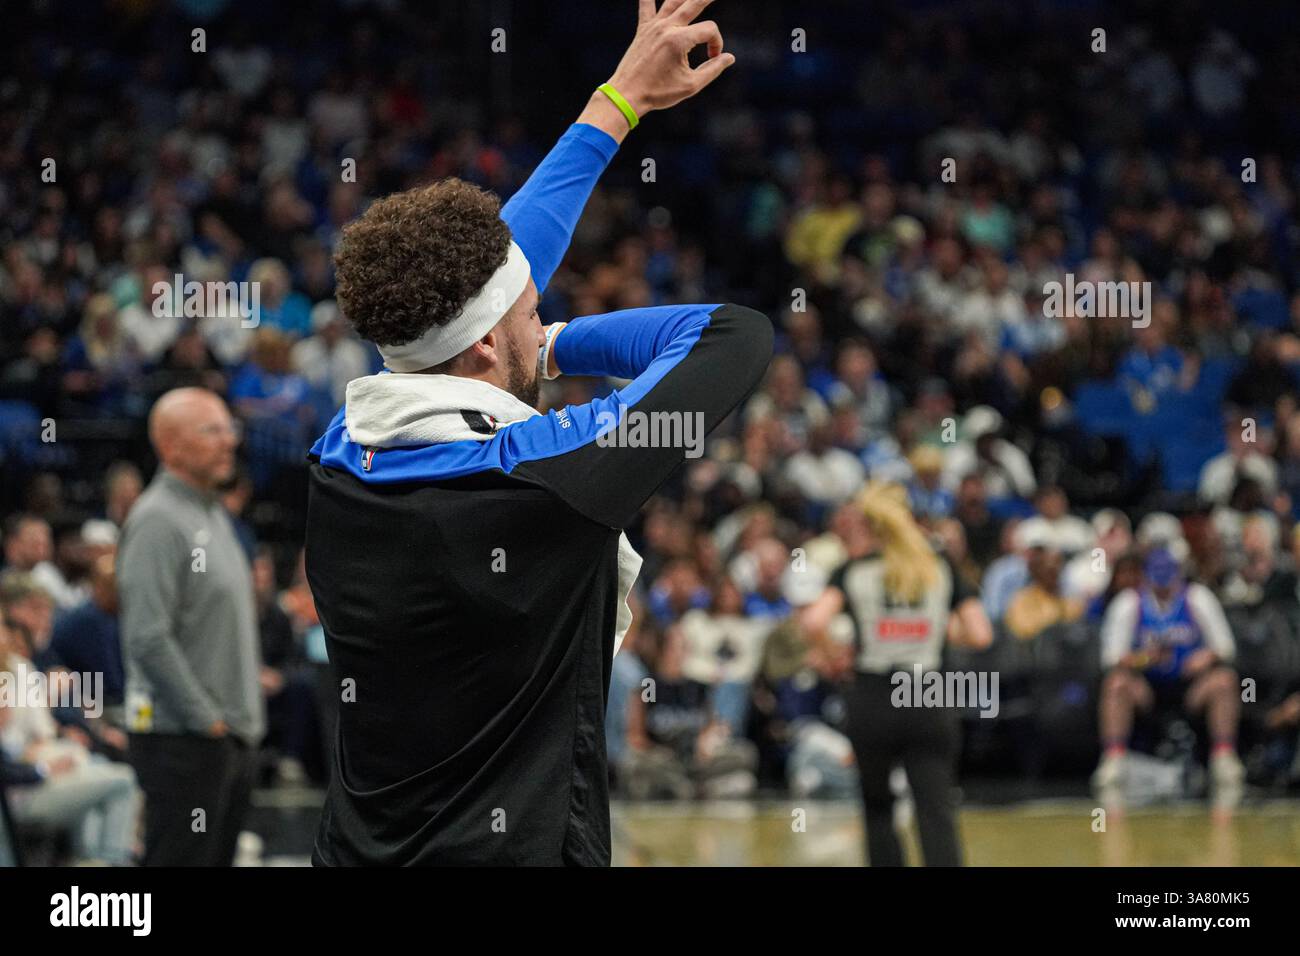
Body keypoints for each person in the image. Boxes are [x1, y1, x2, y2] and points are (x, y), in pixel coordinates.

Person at [305, 0, 764, 866]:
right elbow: (733, 335)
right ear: (486, 341)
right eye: (533, 309)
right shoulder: (542, 475)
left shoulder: (344, 448)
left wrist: (620, 101)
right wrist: (556, 347)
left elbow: (486, 275)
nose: (541, 307)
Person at [802, 482, 992, 866]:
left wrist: (835, 656)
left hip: (873, 696)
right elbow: (980, 633)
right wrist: (933, 628)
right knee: (935, 808)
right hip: (927, 694)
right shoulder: (939, 567)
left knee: (877, 808)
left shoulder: (853, 572)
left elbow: (813, 621)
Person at [117, 387, 265, 865]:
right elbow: (146, 635)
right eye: (212, 430)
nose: (229, 441)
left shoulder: (211, 512)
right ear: (170, 445)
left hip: (223, 740)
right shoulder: (157, 520)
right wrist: (206, 719)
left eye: (230, 428)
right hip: (185, 742)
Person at [1093, 547, 1243, 809]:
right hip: (1147, 687)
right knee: (1116, 683)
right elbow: (1110, 657)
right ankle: (1114, 758)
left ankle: (1224, 756)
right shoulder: (1130, 603)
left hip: (1190, 686)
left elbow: (1226, 647)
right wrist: (1145, 659)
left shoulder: (1198, 598)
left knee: (1225, 681)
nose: (1163, 587)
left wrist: (1205, 657)